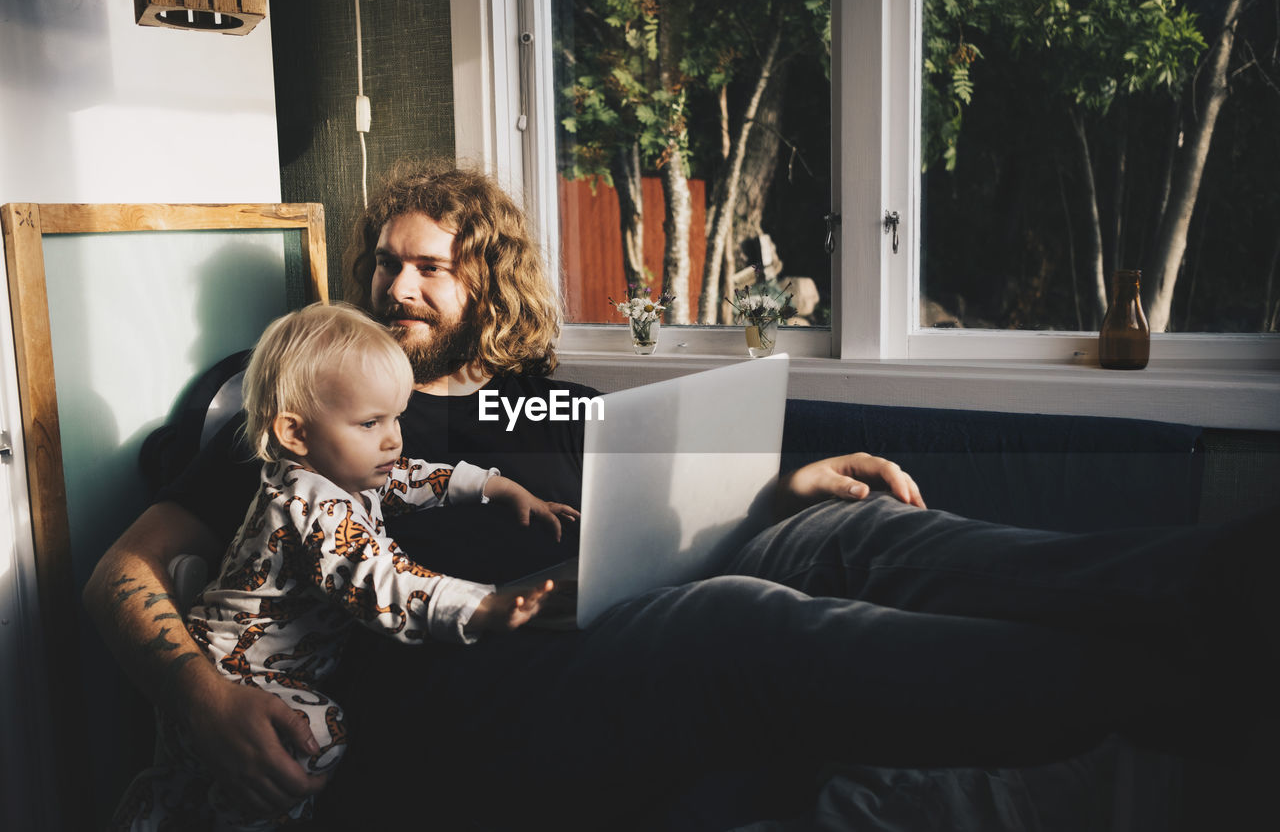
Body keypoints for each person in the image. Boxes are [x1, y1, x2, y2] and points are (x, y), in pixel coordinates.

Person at [86, 162, 1276, 830]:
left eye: (431, 265)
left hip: (601, 618)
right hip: (489, 701)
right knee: (730, 622)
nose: (398, 282)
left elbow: (664, 514)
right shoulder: (307, 412)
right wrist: (199, 697)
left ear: (484, 276)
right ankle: (1177, 691)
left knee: (838, 532)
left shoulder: (542, 398)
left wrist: (781, 484)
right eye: (387, 260)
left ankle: (1214, 586)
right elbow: (121, 569)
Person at [110, 302, 575, 830]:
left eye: (396, 416)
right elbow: (382, 581)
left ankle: (165, 796)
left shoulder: (343, 473)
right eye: (371, 422)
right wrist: (481, 606)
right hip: (243, 676)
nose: (394, 438)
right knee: (322, 736)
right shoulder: (314, 505)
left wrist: (492, 486)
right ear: (296, 434)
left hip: (260, 658)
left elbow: (412, 478)